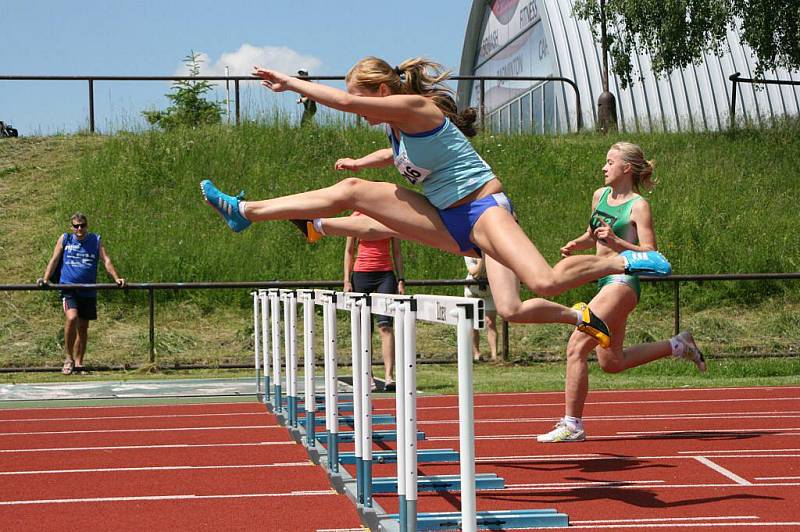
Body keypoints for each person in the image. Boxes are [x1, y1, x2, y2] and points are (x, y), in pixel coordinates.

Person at [201, 56, 672, 347]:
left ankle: (625, 265)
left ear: (383, 93)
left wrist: (291, 83)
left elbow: (344, 105)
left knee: (542, 282)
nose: (355, 107)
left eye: (360, 98)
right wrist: (363, 165)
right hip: (450, 217)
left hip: (483, 210)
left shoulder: (416, 109)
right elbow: (397, 153)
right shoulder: (397, 128)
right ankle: (248, 213)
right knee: (358, 199)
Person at [536, 143, 705, 443]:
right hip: (602, 281)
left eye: (609, 162)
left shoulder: (638, 206)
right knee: (611, 362)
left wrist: (617, 242)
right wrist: (577, 244)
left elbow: (650, 253)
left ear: (626, 168)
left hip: (622, 283)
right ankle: (678, 345)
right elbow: (593, 234)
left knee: (577, 344)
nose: (604, 167)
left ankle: (572, 424)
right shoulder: (599, 196)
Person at [37, 213, 126, 375]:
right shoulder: (65, 239)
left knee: (83, 328)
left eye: (82, 225)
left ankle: (79, 364)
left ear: (87, 226)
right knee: (72, 318)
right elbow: (54, 259)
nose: (79, 229)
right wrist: (45, 279)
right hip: (69, 288)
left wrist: (116, 277)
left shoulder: (95, 240)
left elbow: (106, 260)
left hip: (88, 290)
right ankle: (68, 358)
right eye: (76, 226)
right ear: (71, 227)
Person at [343, 211, 405, 392]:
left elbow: (397, 252)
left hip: (385, 274)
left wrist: (401, 279)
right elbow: (349, 251)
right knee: (364, 329)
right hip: (361, 274)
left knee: (385, 326)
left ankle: (388, 376)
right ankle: (367, 375)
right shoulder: (355, 218)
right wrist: (347, 280)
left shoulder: (390, 217)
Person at [464, 256, 500, 362]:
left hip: (490, 288)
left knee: (490, 322)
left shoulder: (493, 250)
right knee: (472, 322)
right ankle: (476, 354)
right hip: (472, 289)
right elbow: (474, 272)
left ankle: (494, 355)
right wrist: (482, 261)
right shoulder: (469, 252)